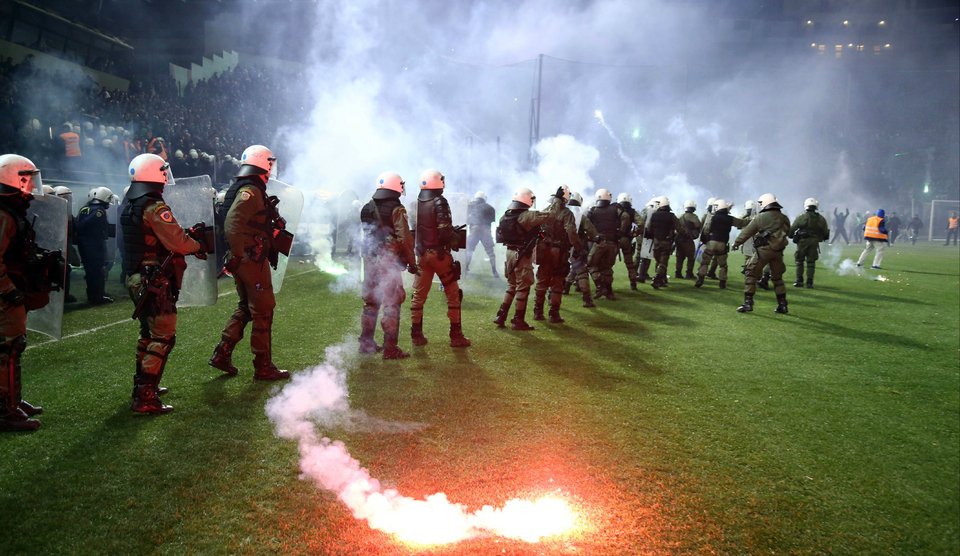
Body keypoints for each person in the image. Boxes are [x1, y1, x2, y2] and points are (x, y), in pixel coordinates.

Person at [121, 153, 207, 414]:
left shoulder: (130, 203)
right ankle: (145, 396)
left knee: (148, 335)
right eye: (163, 171)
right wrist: (198, 245)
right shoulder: (154, 206)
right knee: (163, 337)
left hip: (138, 277)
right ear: (154, 173)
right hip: (154, 279)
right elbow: (177, 242)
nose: (166, 177)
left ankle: (143, 386)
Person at [209, 145, 291, 381]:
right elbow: (233, 224)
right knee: (264, 309)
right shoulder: (251, 191)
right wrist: (237, 255)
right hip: (249, 259)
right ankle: (262, 366)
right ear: (264, 164)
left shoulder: (245, 187)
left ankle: (222, 354)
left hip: (244, 257)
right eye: (270, 163)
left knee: (247, 307)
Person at [0, 154, 53, 431]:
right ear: (14, 178)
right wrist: (9, 291)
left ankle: (12, 401)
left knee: (12, 348)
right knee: (7, 349)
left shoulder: (11, 210)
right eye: (28, 178)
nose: (32, 184)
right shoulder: (4, 213)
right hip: (4, 296)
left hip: (10, 291)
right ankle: (6, 410)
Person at [358, 172, 418, 359]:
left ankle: (366, 342)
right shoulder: (397, 209)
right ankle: (390, 348)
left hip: (369, 259)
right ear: (396, 186)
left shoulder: (366, 207)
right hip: (387, 262)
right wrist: (411, 262)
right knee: (392, 302)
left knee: (371, 301)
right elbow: (405, 238)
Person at [409, 169, 470, 348]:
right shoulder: (439, 201)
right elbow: (444, 231)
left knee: (418, 295)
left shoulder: (416, 202)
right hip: (439, 254)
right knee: (453, 294)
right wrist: (453, 235)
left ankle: (416, 335)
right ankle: (456, 336)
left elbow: (415, 229)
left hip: (422, 254)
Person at [493, 187, 554, 330]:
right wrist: (556, 201)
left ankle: (501, 316)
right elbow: (550, 215)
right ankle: (518, 320)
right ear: (528, 199)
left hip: (510, 253)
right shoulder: (526, 216)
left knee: (511, 286)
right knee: (523, 286)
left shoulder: (506, 215)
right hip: (521, 255)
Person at [732, 193, 790, 314]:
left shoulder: (760, 217)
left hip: (763, 251)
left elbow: (747, 232)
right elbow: (788, 231)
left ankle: (748, 303)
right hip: (778, 252)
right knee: (777, 279)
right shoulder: (784, 218)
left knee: (750, 273)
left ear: (764, 203)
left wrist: (737, 243)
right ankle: (782, 305)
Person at [532, 185, 581, 323]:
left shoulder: (544, 211)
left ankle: (538, 312)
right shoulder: (567, 214)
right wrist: (578, 247)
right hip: (559, 252)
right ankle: (554, 314)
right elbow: (571, 232)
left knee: (542, 281)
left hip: (544, 251)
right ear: (565, 200)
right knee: (557, 282)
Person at [76, 186, 117, 304]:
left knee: (91, 271)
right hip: (94, 245)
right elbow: (84, 225)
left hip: (85, 245)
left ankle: (94, 294)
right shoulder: (99, 211)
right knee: (97, 271)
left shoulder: (85, 208)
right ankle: (97, 296)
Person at [694, 199, 742, 289]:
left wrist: (704, 241)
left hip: (711, 242)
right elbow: (742, 223)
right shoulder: (730, 219)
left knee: (704, 263)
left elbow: (705, 230)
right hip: (722, 244)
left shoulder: (712, 217)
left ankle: (700, 280)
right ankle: (722, 283)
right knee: (723, 265)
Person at [584, 189, 620, 299]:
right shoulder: (615, 210)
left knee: (590, 264)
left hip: (599, 243)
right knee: (607, 268)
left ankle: (600, 287)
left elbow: (586, 225)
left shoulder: (593, 211)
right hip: (612, 243)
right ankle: (609, 292)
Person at [788, 197, 830, 288]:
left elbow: (792, 229)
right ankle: (809, 282)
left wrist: (791, 235)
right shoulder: (821, 218)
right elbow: (826, 233)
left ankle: (799, 280)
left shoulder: (801, 217)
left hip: (802, 241)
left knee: (799, 260)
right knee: (811, 262)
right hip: (814, 242)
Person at [564, 191, 596, 308]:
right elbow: (591, 231)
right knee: (581, 272)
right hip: (576, 247)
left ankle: (560, 291)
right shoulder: (581, 215)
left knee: (558, 272)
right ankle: (587, 299)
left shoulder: (563, 212)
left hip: (561, 247)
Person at [646, 196, 682, 289]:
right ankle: (658, 278)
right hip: (666, 241)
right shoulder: (671, 216)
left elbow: (649, 229)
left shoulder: (654, 215)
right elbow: (679, 228)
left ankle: (662, 280)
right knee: (663, 262)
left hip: (656, 241)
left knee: (659, 261)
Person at [52, 186, 79, 303]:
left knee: (65, 271)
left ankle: (64, 295)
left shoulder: (67, 214)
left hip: (65, 245)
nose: (69, 200)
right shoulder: (54, 213)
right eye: (65, 197)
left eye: (69, 197)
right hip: (56, 247)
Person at [464, 191, 498, 278]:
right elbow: (491, 220)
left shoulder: (470, 206)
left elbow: (467, 220)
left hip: (474, 230)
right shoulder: (490, 208)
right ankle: (494, 272)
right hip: (486, 230)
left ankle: (466, 268)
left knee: (469, 250)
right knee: (490, 252)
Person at [675, 199, 701, 279]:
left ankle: (678, 273)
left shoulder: (680, 216)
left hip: (679, 239)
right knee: (690, 258)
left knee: (679, 258)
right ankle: (689, 274)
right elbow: (699, 226)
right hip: (688, 240)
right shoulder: (694, 217)